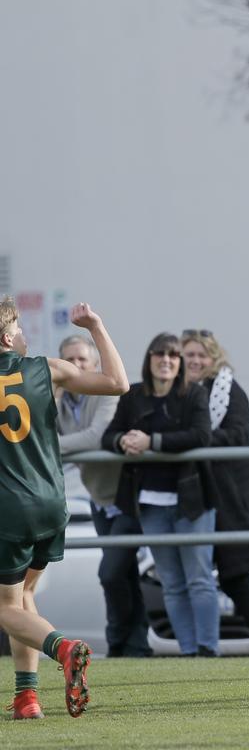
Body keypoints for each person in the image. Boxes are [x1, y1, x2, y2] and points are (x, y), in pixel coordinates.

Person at [0, 297, 128, 720]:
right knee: (25, 596)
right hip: (52, 502)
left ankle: (65, 648)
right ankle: (27, 698)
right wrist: (96, 326)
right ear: (6, 337)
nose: (23, 335)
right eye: (18, 328)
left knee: (6, 608)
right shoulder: (47, 368)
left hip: (7, 509)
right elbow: (117, 383)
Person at [102, 332, 220, 657]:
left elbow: (201, 436)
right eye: (159, 354)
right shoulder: (134, 395)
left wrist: (151, 442)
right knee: (171, 582)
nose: (166, 360)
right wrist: (122, 442)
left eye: (173, 355)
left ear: (179, 363)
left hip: (192, 502)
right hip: (150, 504)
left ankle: (209, 651)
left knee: (199, 579)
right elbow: (108, 435)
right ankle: (188, 652)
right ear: (149, 359)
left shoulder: (194, 394)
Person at [181, 329, 249, 656]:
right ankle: (200, 647)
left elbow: (238, 434)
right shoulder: (179, 391)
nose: (195, 361)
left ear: (213, 358)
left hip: (233, 498)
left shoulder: (227, 390)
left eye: (201, 355)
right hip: (196, 496)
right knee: (190, 575)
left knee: (233, 577)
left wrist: (196, 439)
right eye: (189, 355)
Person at [56, 334, 152, 659]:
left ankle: (119, 642)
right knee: (123, 574)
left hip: (125, 497)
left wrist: (48, 448)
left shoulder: (108, 392)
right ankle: (134, 647)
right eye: (68, 360)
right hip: (98, 498)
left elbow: (96, 437)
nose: (76, 366)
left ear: (95, 365)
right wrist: (55, 391)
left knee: (111, 573)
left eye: (82, 359)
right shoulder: (62, 399)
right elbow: (43, 428)